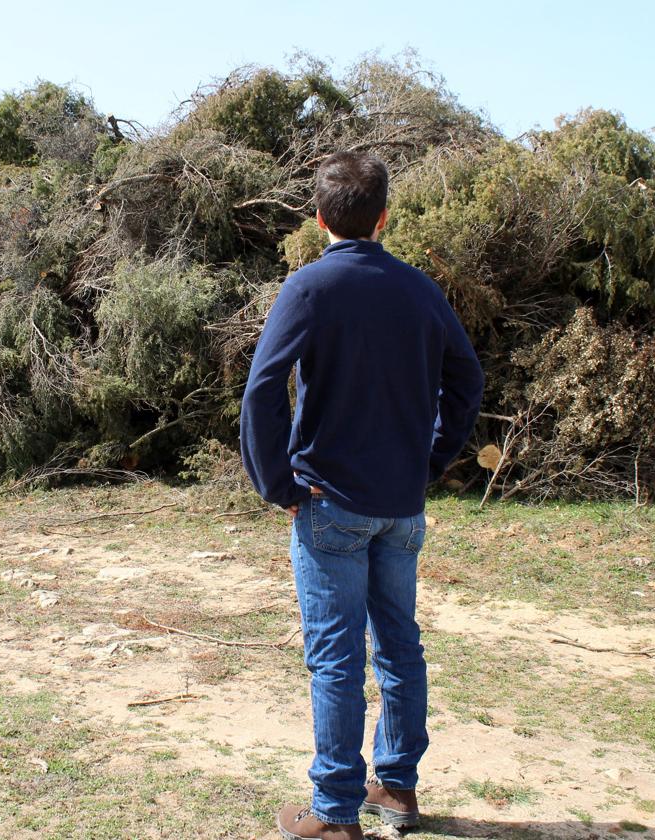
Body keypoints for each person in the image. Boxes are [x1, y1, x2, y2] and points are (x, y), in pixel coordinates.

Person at [239, 150, 486, 840]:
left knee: (337, 658)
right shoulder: (420, 290)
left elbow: (263, 389)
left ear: (319, 219)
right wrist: (432, 458)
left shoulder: (310, 287)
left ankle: (336, 814)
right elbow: (467, 382)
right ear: (383, 216)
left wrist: (276, 484)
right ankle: (398, 791)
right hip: (401, 505)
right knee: (400, 647)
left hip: (329, 504)